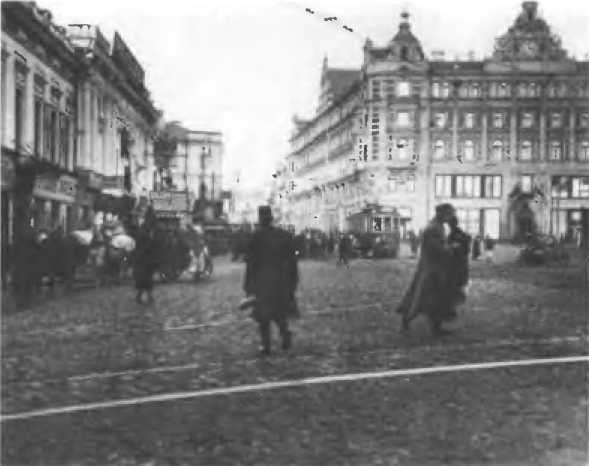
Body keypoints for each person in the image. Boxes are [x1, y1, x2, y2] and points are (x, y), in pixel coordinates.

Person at [244, 206, 299, 355]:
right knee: (279, 312)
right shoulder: (283, 235)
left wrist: (248, 285)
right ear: (271, 218)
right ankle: (285, 336)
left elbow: (251, 263)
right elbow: (292, 261)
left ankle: (266, 344)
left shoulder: (255, 237)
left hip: (262, 281)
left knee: (263, 315)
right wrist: (293, 281)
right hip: (280, 280)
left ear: (260, 219)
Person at [396, 203, 457, 336]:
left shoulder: (437, 226)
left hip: (433, 267)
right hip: (432, 269)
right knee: (422, 297)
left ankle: (435, 326)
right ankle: (407, 321)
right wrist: (451, 249)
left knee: (436, 298)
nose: (451, 217)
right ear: (441, 213)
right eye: (449, 214)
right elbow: (435, 248)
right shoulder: (433, 228)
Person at [132, 210, 159, 304]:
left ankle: (145, 296)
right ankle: (142, 296)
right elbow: (144, 243)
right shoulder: (145, 230)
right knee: (144, 277)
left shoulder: (148, 229)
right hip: (143, 257)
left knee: (147, 277)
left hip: (146, 257)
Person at [447, 216, 471, 306]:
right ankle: (458, 296)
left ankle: (459, 297)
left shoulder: (455, 235)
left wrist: (456, 248)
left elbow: (466, 249)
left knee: (458, 279)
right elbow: (467, 250)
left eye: (450, 224)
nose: (450, 225)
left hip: (458, 261)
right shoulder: (460, 234)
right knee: (459, 279)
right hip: (459, 261)